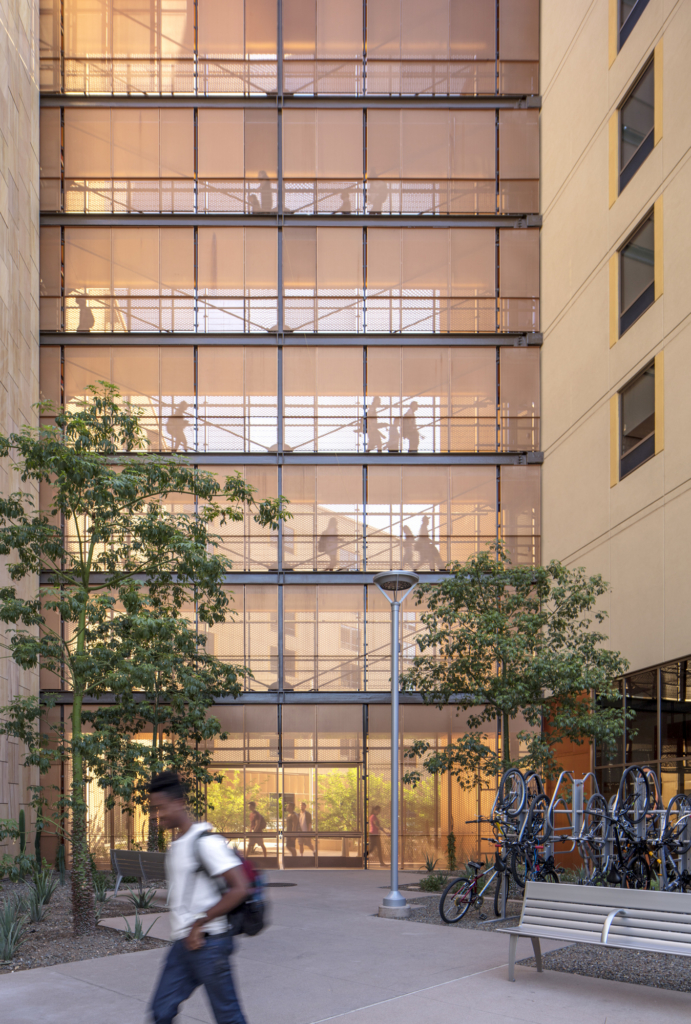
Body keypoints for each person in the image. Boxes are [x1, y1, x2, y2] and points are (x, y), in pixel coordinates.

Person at [148, 771, 250, 1024]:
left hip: (209, 943)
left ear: (179, 803)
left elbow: (240, 887)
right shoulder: (179, 844)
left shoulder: (205, 842)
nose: (156, 815)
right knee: (161, 1011)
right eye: (153, 809)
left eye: (160, 808)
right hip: (183, 943)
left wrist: (200, 922)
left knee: (228, 1017)